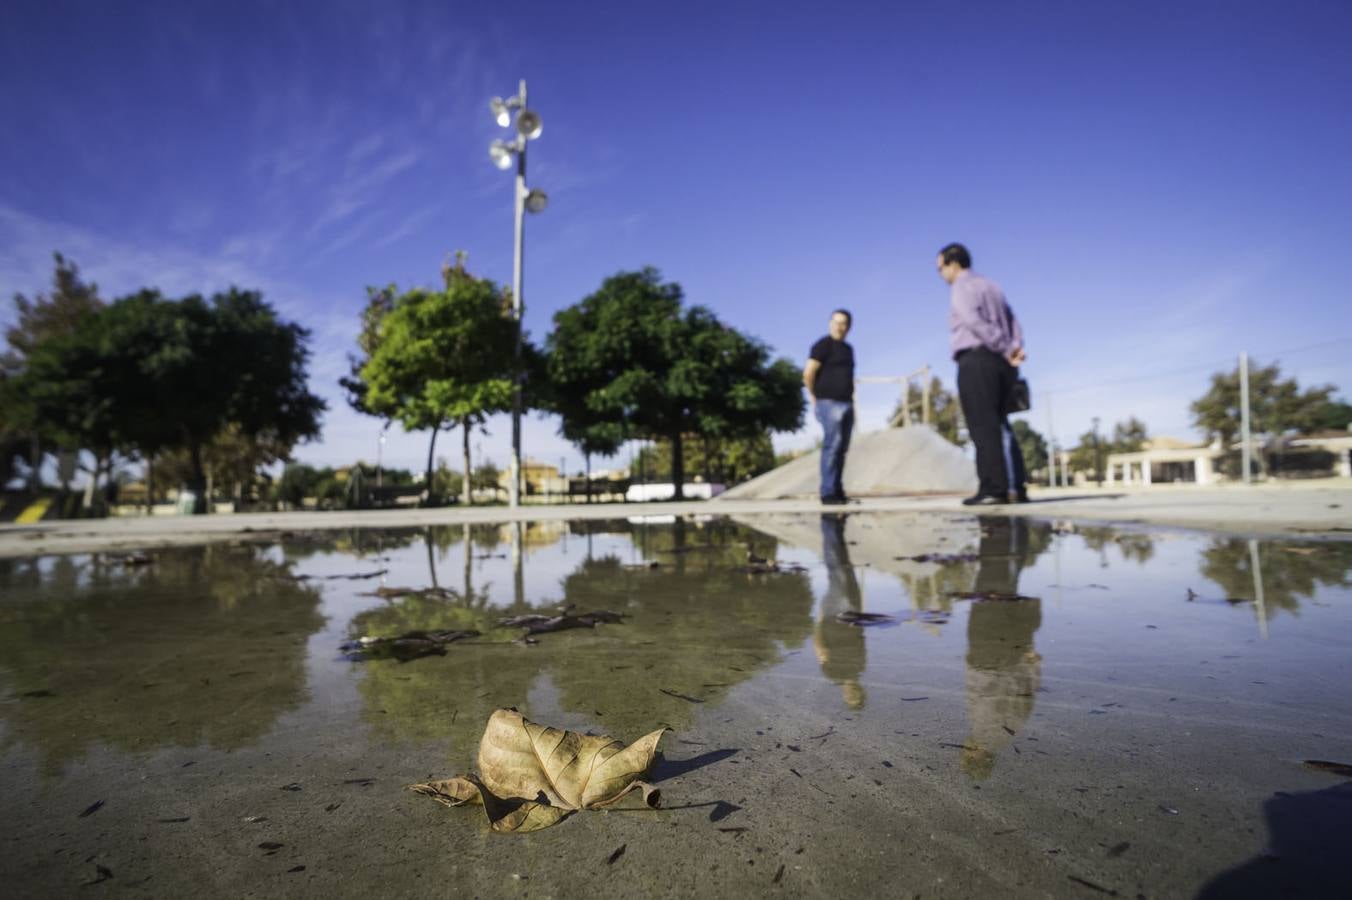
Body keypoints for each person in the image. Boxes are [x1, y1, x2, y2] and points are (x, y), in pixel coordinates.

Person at [936, 243, 1028, 505]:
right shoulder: (992, 286)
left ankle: (993, 488)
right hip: (1002, 363)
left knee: (982, 425)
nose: (941, 275)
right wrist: (1014, 349)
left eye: (940, 268)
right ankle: (1015, 487)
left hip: (978, 359)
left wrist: (1004, 346)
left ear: (953, 264)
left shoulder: (962, 286)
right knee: (1001, 424)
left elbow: (973, 321)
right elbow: (1014, 322)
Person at [803, 310, 855, 505]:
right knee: (832, 445)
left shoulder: (848, 349)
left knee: (842, 448)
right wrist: (814, 396)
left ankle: (837, 489)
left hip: (847, 402)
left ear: (848, 327)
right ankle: (827, 492)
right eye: (836, 322)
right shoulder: (822, 345)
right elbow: (808, 373)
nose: (839, 326)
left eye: (843, 323)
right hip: (828, 402)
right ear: (830, 323)